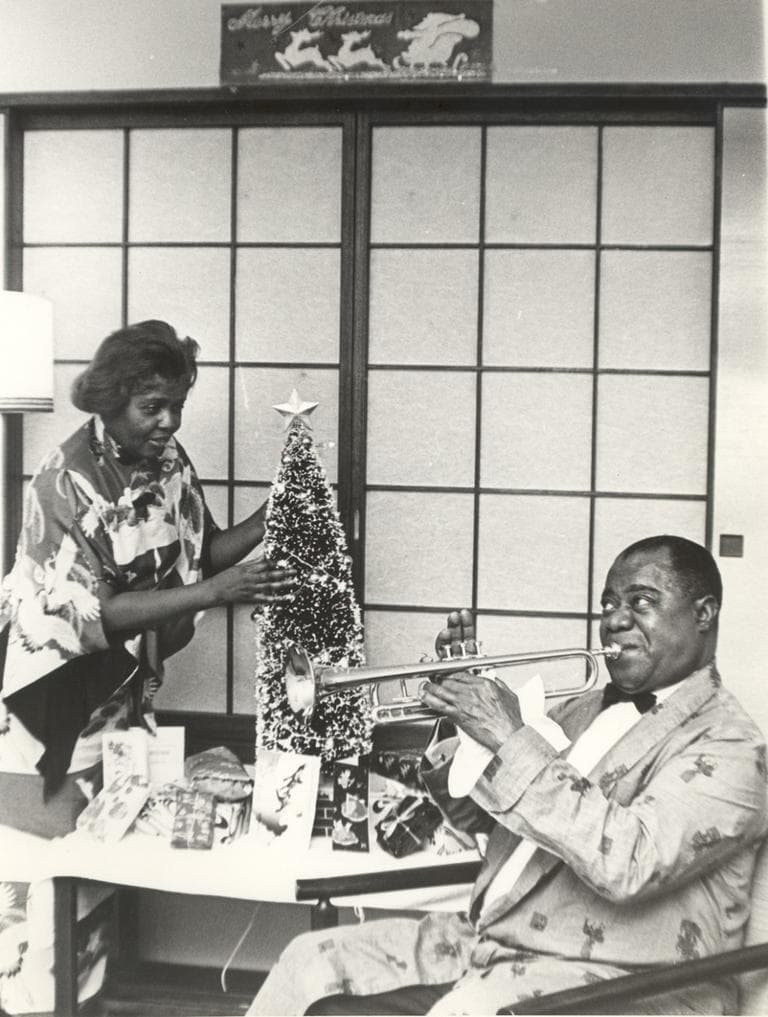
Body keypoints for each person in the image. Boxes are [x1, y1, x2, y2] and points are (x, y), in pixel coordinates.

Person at [250, 534, 768, 1016]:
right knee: (309, 962)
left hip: (619, 978)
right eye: (609, 604)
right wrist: (460, 722)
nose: (614, 620)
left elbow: (629, 862)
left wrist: (508, 736)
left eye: (641, 602)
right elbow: (476, 820)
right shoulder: (582, 710)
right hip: (487, 942)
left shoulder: (731, 747)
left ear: (703, 613)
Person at [0, 319, 295, 1013]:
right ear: (109, 400)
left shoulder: (169, 462)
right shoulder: (62, 481)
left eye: (177, 406)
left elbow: (203, 549)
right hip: (45, 706)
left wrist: (277, 515)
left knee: (99, 877)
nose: (169, 423)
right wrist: (216, 594)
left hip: (121, 702)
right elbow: (95, 613)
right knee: (44, 884)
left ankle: (83, 999)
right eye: (151, 408)